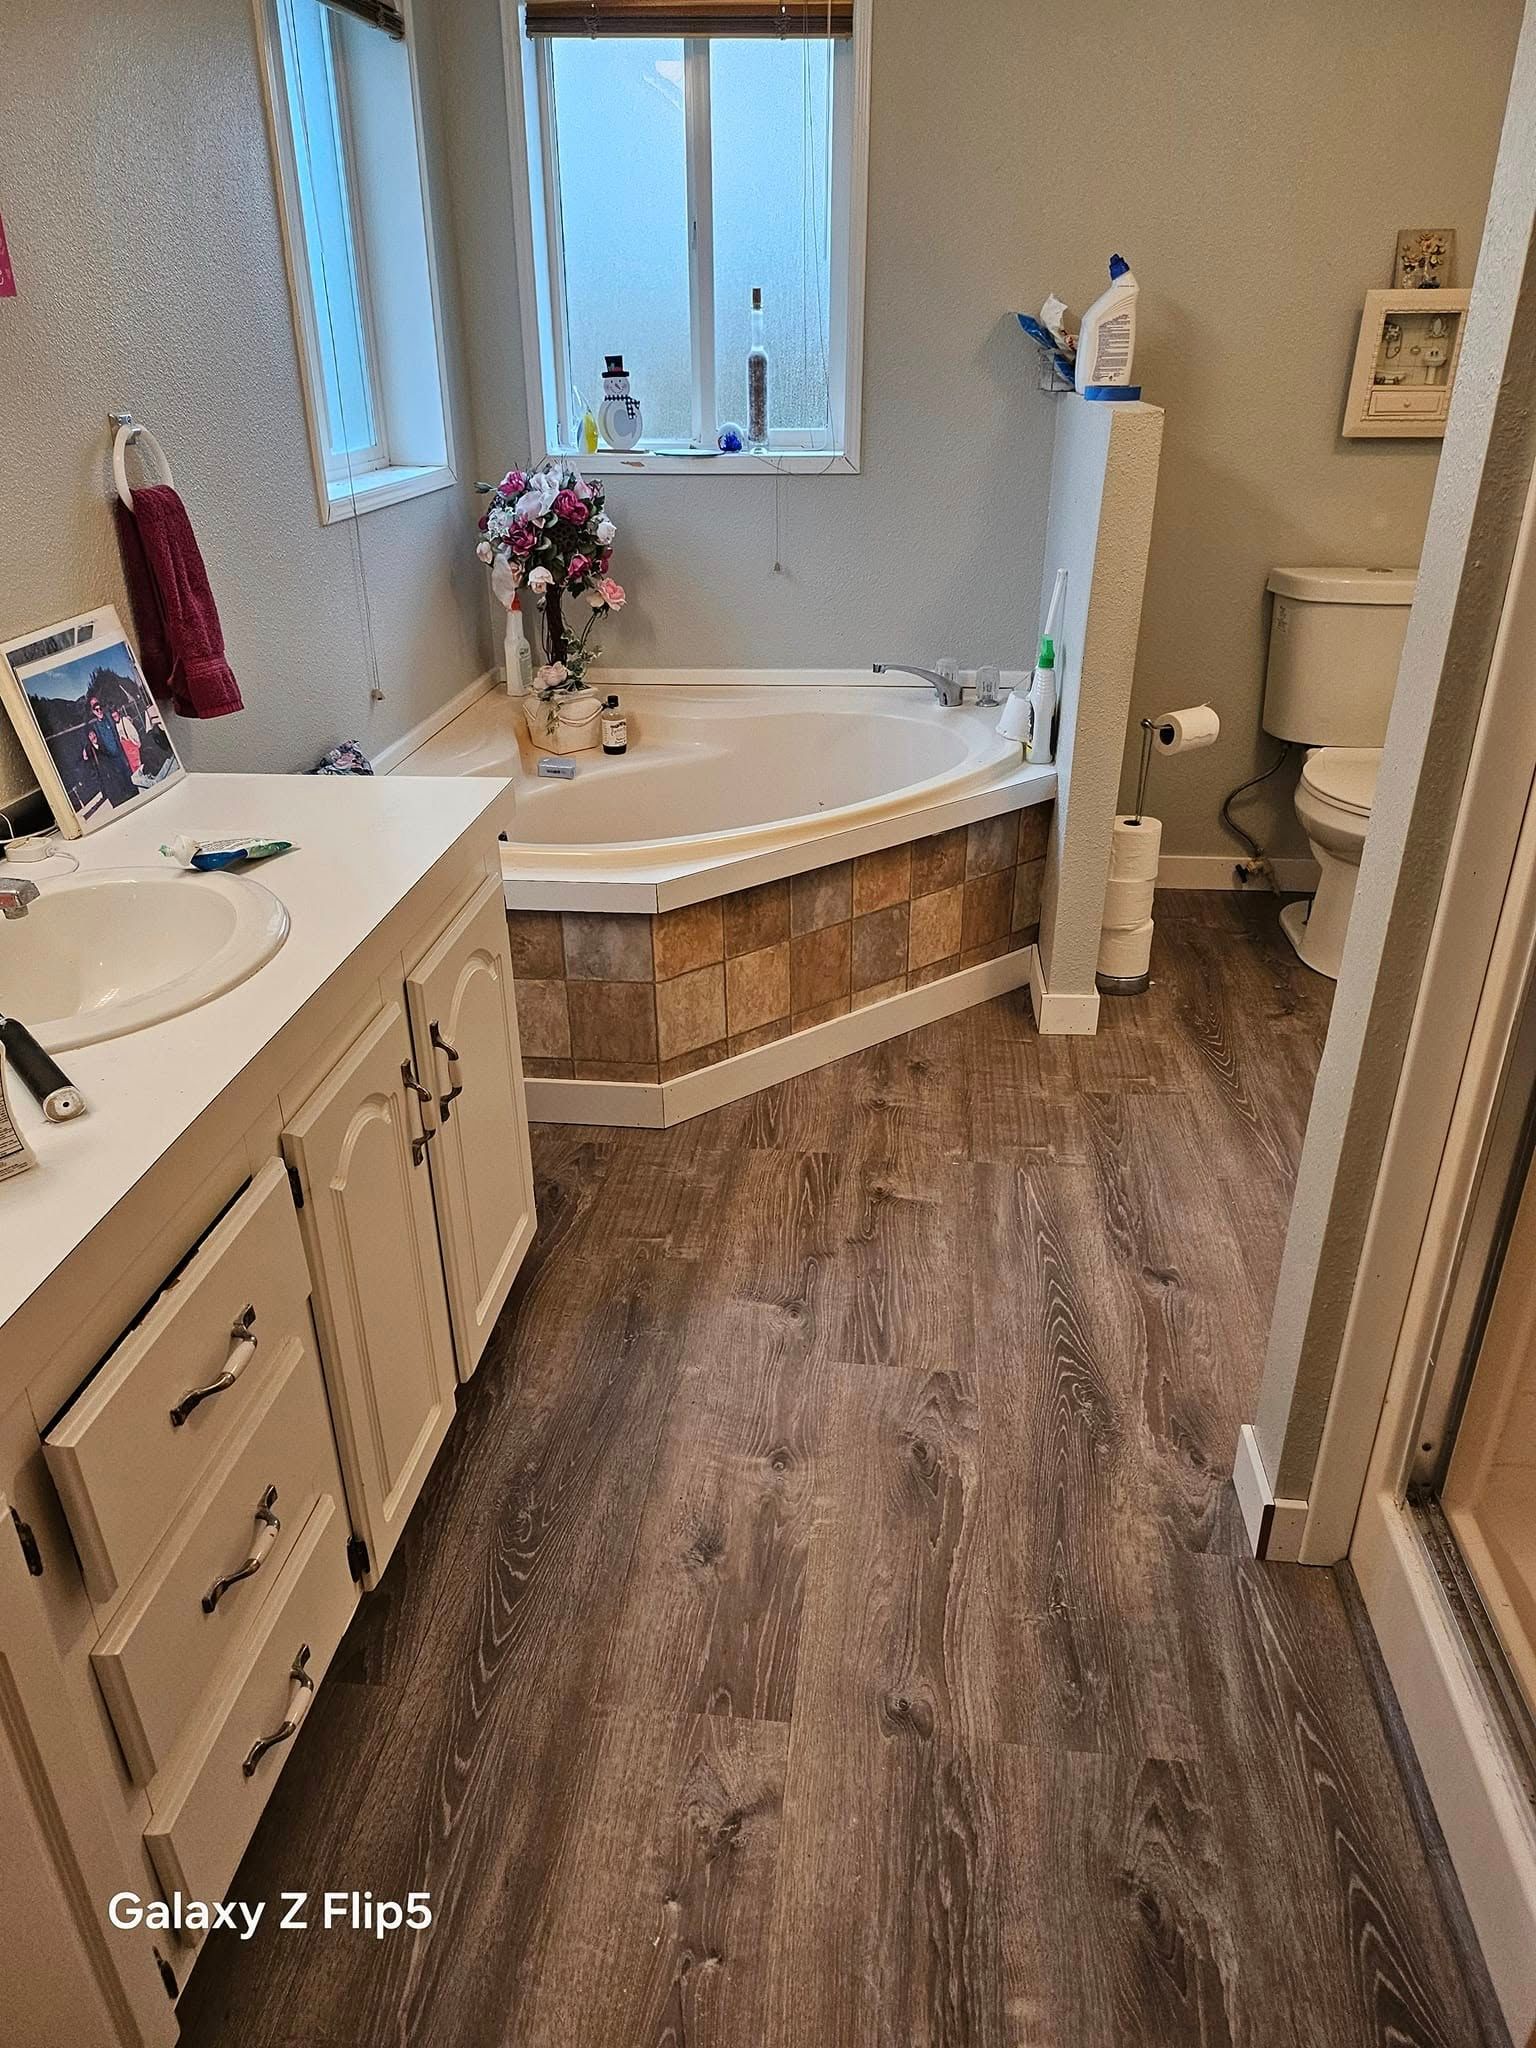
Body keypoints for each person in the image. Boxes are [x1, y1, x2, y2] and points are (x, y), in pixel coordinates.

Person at [84, 692, 136, 808]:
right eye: (95, 708)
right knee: (119, 781)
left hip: (121, 753)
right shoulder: (94, 725)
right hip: (110, 758)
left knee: (129, 776)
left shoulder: (108, 716)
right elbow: (88, 736)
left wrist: (125, 719)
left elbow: (117, 717)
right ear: (92, 711)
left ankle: (136, 795)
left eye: (99, 706)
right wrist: (85, 748)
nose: (98, 710)